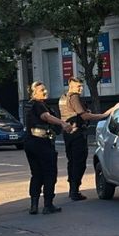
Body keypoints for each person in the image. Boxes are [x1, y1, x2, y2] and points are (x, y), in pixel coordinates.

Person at [24, 81, 74, 215]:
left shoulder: (30, 105)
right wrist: (63, 123)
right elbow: (46, 117)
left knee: (36, 174)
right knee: (49, 174)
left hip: (30, 143)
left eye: (45, 89)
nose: (45, 91)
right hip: (42, 143)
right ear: (34, 93)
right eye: (41, 90)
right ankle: (48, 205)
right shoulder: (38, 104)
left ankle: (34, 205)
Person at [58, 77, 111, 201]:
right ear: (71, 86)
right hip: (77, 133)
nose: (80, 89)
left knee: (72, 162)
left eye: (81, 86)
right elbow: (84, 116)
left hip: (68, 133)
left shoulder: (63, 97)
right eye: (78, 86)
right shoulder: (74, 97)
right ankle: (75, 191)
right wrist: (103, 116)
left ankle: (72, 189)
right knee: (79, 163)